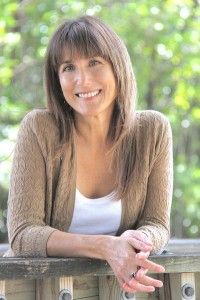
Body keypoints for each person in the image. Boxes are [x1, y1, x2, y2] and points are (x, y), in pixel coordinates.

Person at [6, 15, 173, 294]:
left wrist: (138, 240)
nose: (82, 80)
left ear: (118, 67)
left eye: (94, 62)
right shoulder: (38, 129)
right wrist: (106, 246)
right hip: (37, 291)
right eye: (69, 67)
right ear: (57, 78)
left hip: (115, 292)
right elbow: (23, 234)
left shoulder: (152, 131)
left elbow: (157, 224)